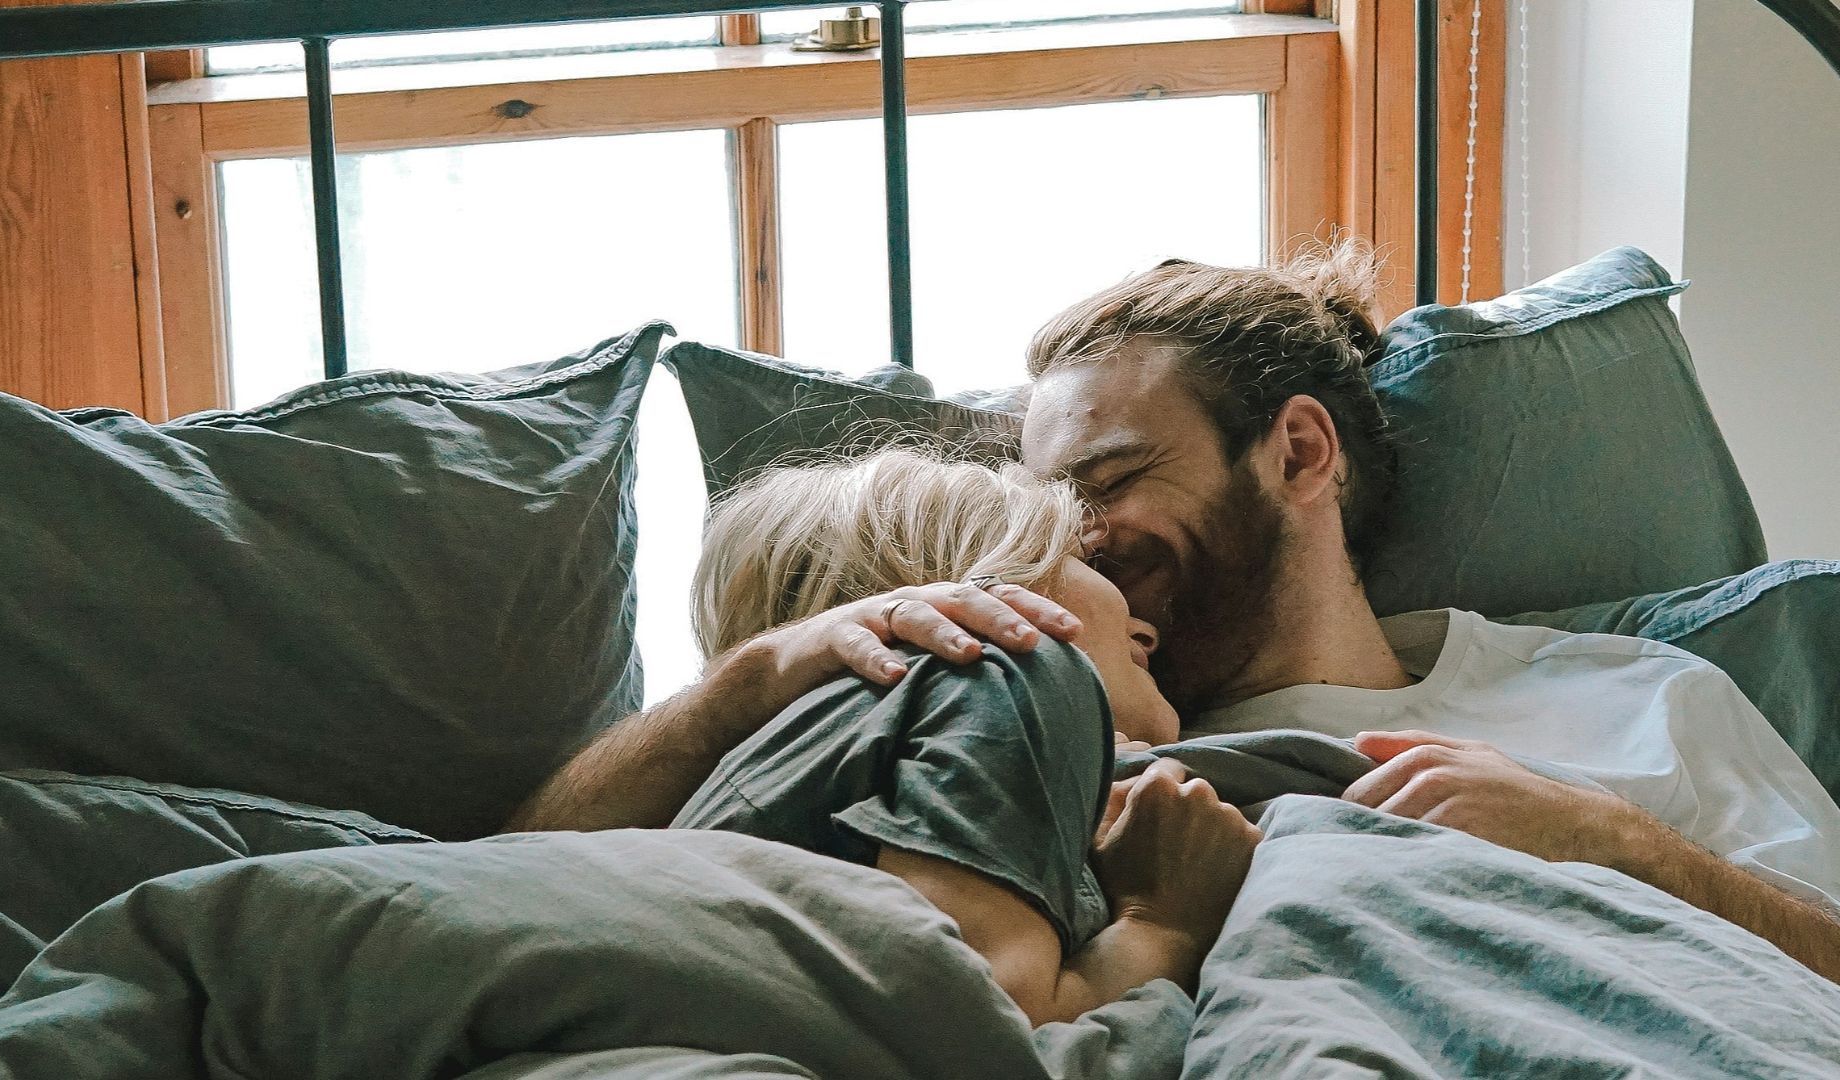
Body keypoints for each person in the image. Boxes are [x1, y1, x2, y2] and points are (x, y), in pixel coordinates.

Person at [510, 243, 1840, 985]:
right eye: (1041, 509)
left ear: (1301, 457)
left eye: (1109, 481)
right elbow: (537, 882)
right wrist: (752, 681)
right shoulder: (1039, 711)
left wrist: (1626, 848)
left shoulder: (1634, 698)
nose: (1069, 542)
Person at [666, 449, 1255, 1027]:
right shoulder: (1001, 672)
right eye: (1085, 562)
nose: (1144, 625)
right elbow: (986, 1031)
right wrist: (1164, 925)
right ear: (980, 585)